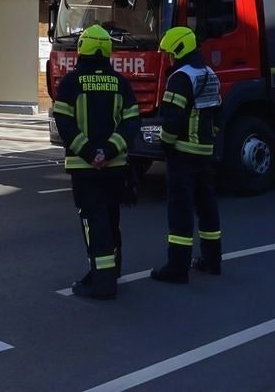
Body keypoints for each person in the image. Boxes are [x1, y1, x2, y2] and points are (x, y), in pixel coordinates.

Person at [52, 24, 139, 300]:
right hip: (115, 167)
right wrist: (110, 151)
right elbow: (131, 122)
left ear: (83, 48)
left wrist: (90, 152)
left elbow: (64, 123)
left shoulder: (70, 83)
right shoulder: (121, 83)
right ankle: (113, 270)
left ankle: (102, 282)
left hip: (85, 167)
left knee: (94, 221)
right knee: (112, 219)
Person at [151, 26, 223, 284]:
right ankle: (212, 261)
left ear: (179, 50)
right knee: (207, 209)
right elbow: (217, 114)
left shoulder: (180, 77)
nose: (169, 58)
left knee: (180, 212)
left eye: (170, 53)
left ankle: (177, 268)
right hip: (205, 153)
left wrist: (165, 144)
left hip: (183, 153)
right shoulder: (210, 74)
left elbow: (173, 119)